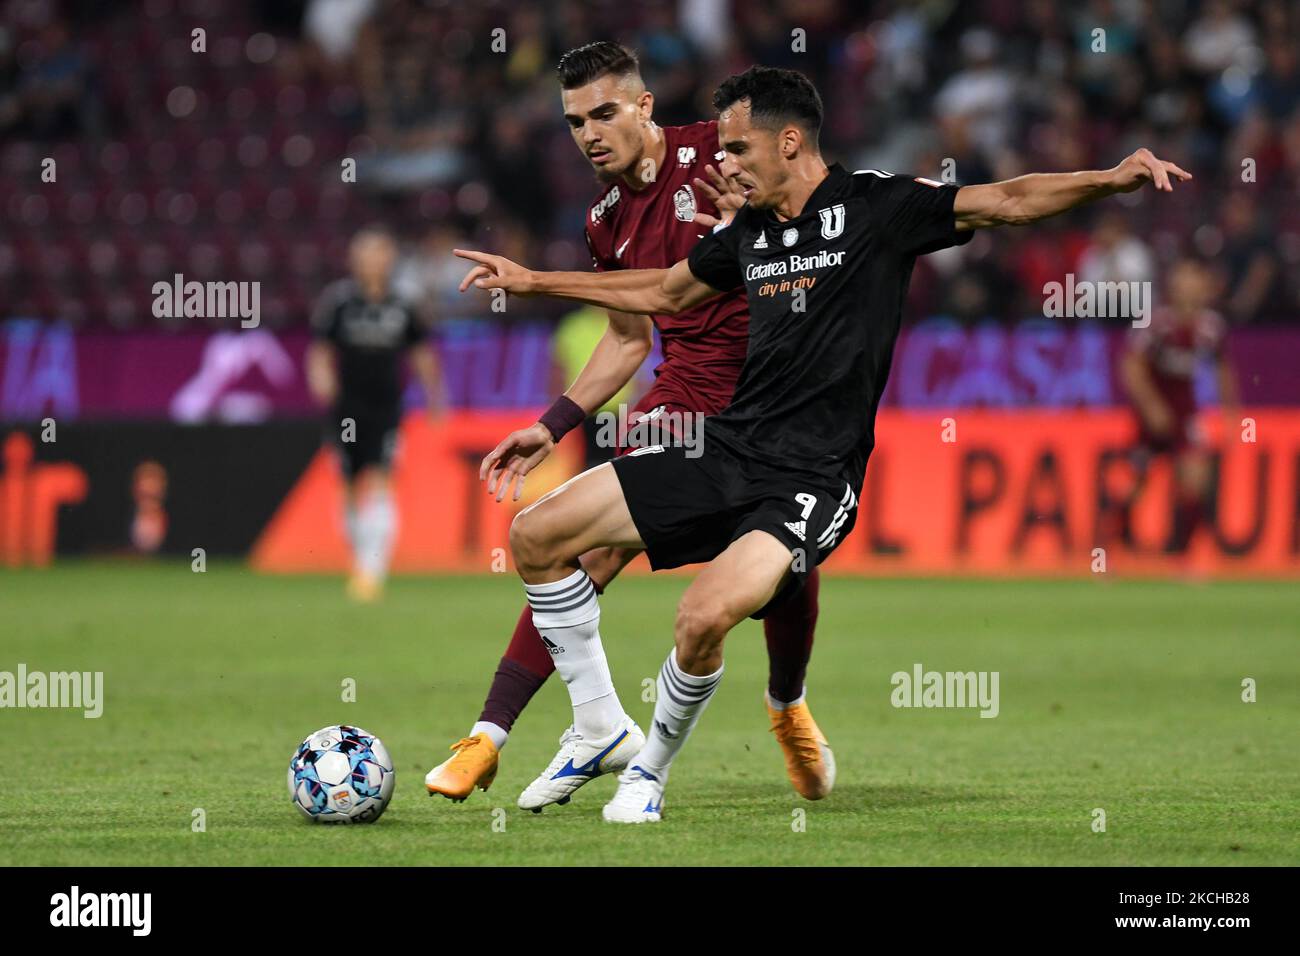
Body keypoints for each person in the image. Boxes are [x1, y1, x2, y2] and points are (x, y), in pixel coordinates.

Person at [456, 65, 1190, 823]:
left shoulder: (877, 206)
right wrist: (536, 281)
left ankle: (649, 771)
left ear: (791, 140)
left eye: (739, 148)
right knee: (536, 533)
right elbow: (666, 292)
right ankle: (597, 725)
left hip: (812, 477)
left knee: (703, 617)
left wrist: (1112, 179)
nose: (727, 165)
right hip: (727, 448)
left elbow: (1005, 201)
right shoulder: (750, 232)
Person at [424, 43, 832, 811]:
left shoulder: (724, 148)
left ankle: (786, 706)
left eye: (604, 113)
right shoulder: (606, 222)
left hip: (783, 400)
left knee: (783, 566)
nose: (589, 133)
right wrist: (555, 423)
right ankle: (512, 730)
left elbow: (823, 210)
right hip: (684, 403)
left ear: (645, 108)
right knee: (583, 542)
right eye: (575, 121)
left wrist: (763, 219)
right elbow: (625, 340)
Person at [306, 226, 442, 602]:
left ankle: (372, 569)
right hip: (347, 408)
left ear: (390, 258)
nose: (372, 261)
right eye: (365, 253)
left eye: (379, 253)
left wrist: (434, 396)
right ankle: (359, 560)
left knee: (382, 477)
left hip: (386, 407)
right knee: (349, 484)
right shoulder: (339, 302)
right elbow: (320, 349)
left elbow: (421, 352)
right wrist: (321, 378)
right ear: (354, 260)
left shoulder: (403, 303)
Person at [1119, 257, 1237, 553]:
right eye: (1184, 278)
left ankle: (1182, 554)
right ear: (1173, 284)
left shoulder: (1211, 326)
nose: (1189, 285)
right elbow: (1131, 366)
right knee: (1136, 480)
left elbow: (1224, 368)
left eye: (1195, 278)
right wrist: (1151, 407)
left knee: (1197, 479)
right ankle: (1112, 547)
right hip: (1152, 417)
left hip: (1186, 413)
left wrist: (1232, 414)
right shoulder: (1156, 323)